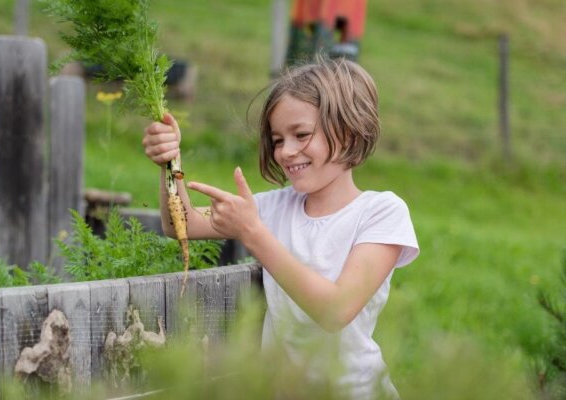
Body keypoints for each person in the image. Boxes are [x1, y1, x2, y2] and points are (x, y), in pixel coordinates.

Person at [142, 57, 419, 400]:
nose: (286, 152)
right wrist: (170, 163)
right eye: (277, 139)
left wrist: (254, 234)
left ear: (348, 132)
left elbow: (335, 311)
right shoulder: (275, 207)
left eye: (301, 135)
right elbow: (180, 225)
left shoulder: (380, 212)